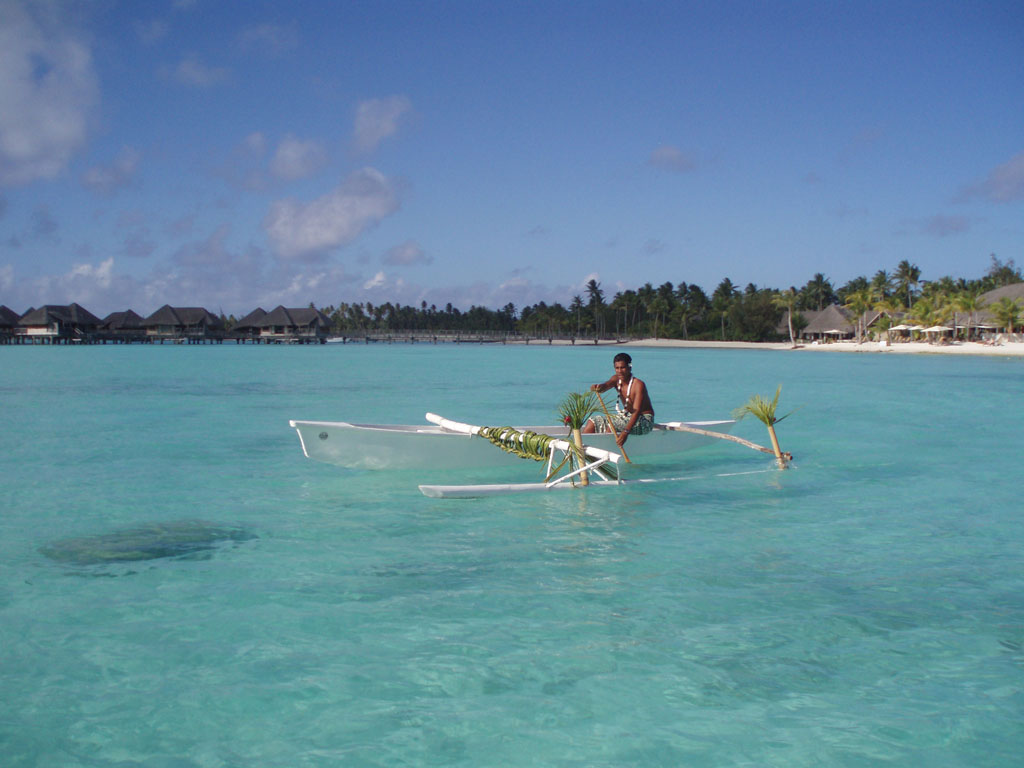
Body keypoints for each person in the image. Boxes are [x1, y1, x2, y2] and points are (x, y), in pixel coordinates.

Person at [583, 352, 654, 447]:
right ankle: (581, 450)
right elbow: (606, 386)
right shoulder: (616, 379)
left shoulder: (638, 384)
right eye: (617, 368)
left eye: (623, 367)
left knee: (612, 424)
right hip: (626, 417)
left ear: (630, 367)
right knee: (592, 421)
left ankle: (605, 451)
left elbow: (636, 412)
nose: (620, 371)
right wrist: (598, 387)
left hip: (644, 421)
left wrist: (625, 432)